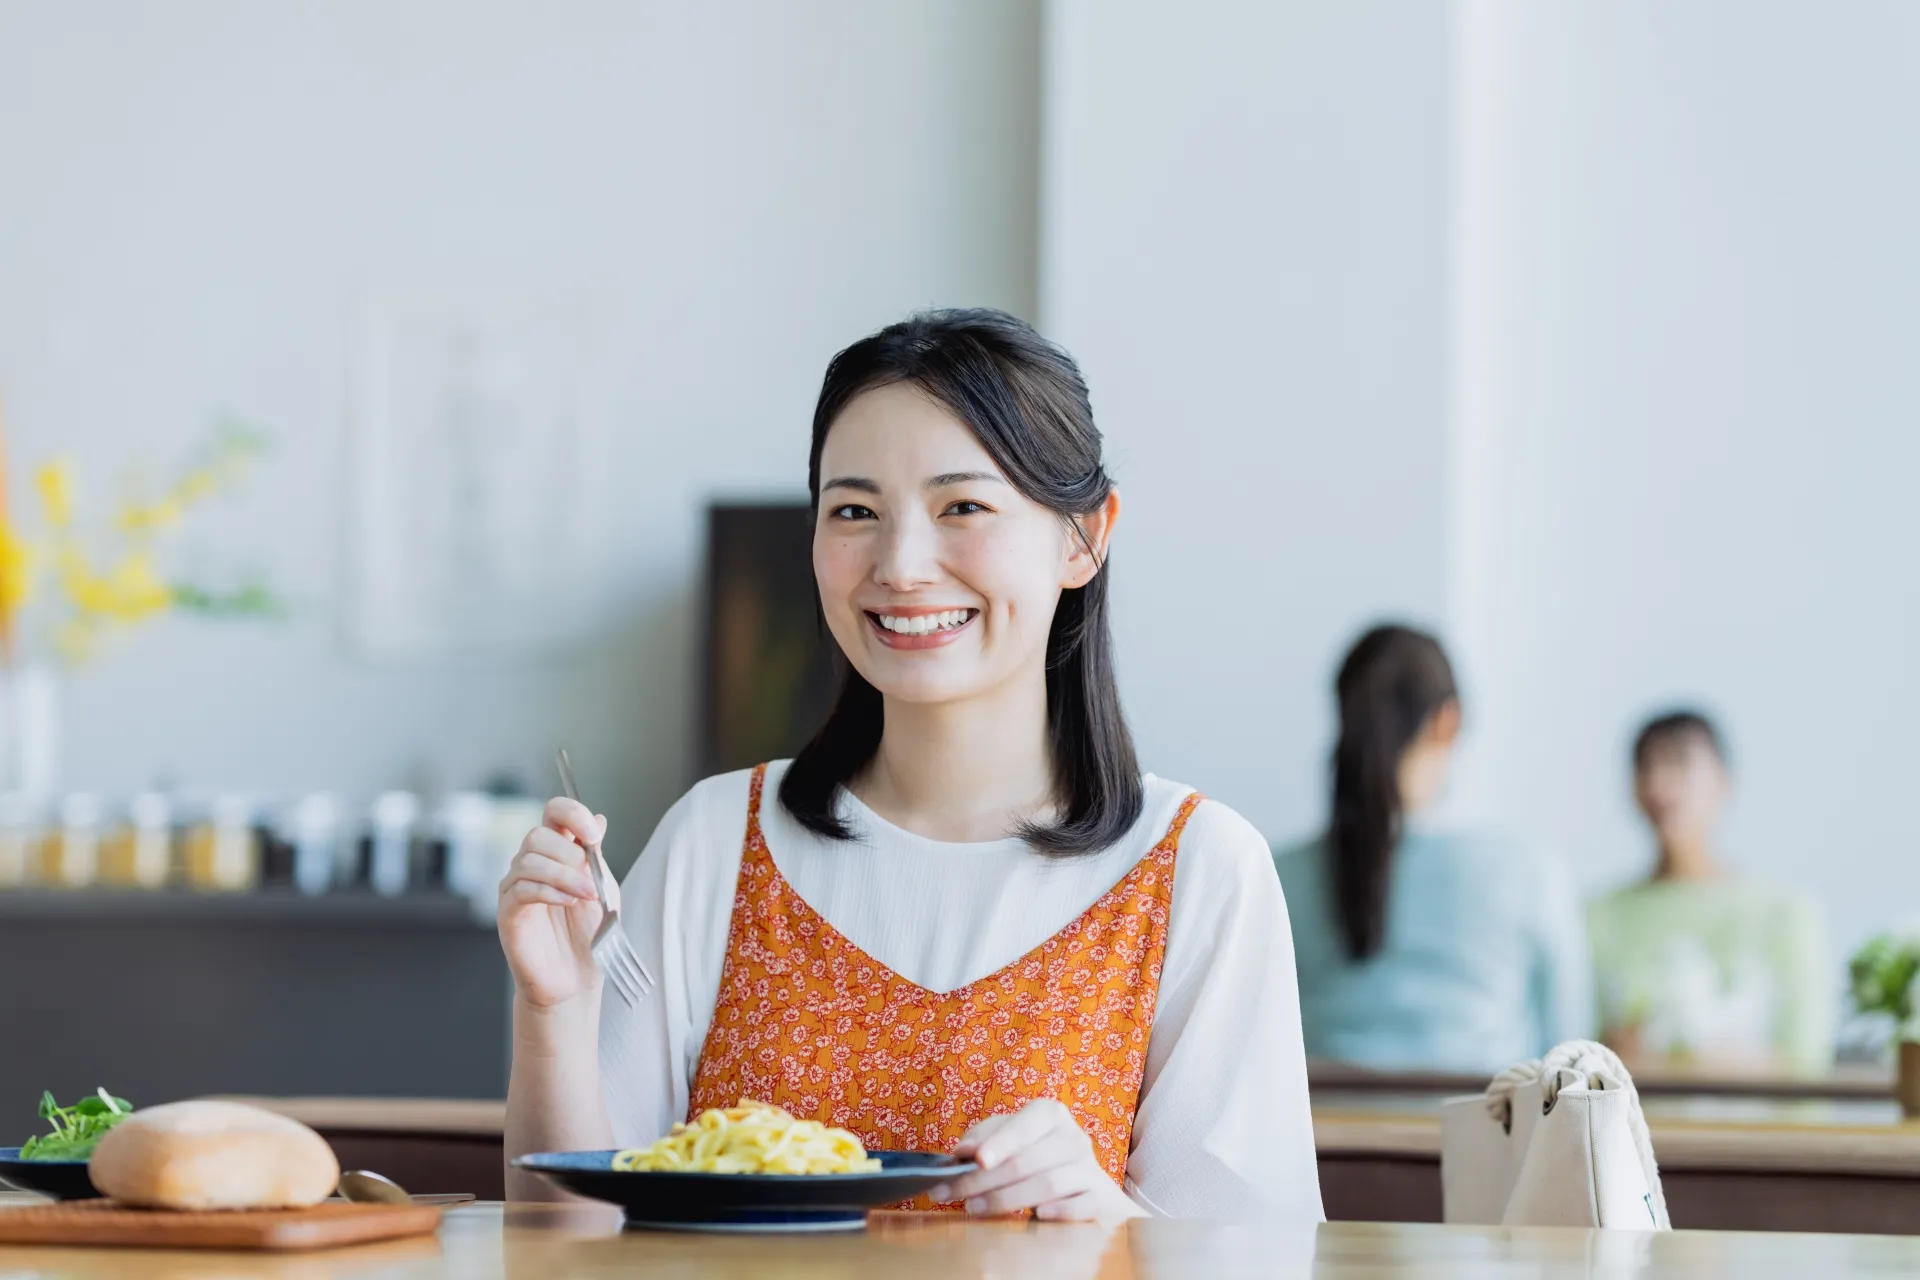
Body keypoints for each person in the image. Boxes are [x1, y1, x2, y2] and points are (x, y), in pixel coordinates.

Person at [498, 309, 1323, 1223]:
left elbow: (1259, 1259)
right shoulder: (713, 842)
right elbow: (568, 1246)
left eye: (961, 507)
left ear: (1084, 537)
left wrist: (1108, 1219)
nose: (900, 564)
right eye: (855, 511)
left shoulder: (1201, 869)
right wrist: (556, 1010)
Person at [1274, 625, 1591, 1073]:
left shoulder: (1276, 874)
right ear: (1448, 721)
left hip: (1319, 1136)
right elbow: (1571, 1055)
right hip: (1484, 1136)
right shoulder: (1527, 871)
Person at [1588, 711, 1833, 1077]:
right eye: (1646, 767)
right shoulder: (1598, 914)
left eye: (1679, 764)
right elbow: (1577, 1056)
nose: (1660, 784)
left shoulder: (1784, 913)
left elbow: (1808, 1062)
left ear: (1723, 781)